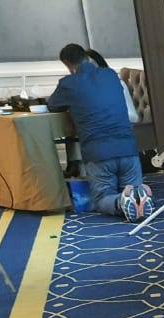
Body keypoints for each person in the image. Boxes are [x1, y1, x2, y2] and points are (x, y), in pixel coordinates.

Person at [48, 43, 151, 222]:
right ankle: (137, 195)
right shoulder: (110, 75)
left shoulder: (68, 84)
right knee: (132, 190)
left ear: (68, 64)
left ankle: (120, 201)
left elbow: (53, 105)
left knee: (102, 198)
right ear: (86, 57)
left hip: (98, 153)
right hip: (128, 148)